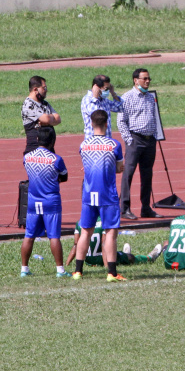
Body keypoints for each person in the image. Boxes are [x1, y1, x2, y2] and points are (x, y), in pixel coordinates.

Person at [72, 110, 126, 281]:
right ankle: (112, 272)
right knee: (110, 232)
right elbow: (118, 168)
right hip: (107, 194)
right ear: (107, 123)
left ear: (91, 123)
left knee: (85, 232)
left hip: (88, 194)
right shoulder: (114, 145)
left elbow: (87, 167)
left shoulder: (83, 145)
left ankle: (78, 271)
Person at [20, 127, 69, 278]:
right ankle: (60, 270)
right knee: (54, 236)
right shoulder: (56, 159)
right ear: (53, 140)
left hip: (33, 201)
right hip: (50, 201)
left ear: (37, 139)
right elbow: (64, 177)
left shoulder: (27, 157)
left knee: (29, 235)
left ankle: (24, 269)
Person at [117, 68, 163, 220]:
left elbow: (153, 117)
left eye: (149, 78)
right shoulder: (127, 97)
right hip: (135, 139)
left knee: (147, 174)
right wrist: (129, 140)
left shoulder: (150, 97)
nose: (148, 81)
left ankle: (145, 207)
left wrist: (155, 135)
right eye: (144, 79)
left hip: (150, 140)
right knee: (128, 174)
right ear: (135, 80)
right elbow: (121, 121)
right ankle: (125, 208)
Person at [68, 217, 161, 267]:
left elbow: (76, 244)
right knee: (131, 258)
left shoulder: (79, 222)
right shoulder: (103, 221)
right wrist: (106, 265)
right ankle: (149, 258)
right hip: (101, 258)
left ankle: (123, 254)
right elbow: (104, 243)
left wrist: (67, 263)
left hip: (88, 260)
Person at [22, 75, 61, 155]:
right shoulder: (28, 104)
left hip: (49, 151)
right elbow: (47, 118)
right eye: (44, 88)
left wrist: (48, 120)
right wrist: (49, 119)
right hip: (34, 152)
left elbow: (58, 118)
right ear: (35, 89)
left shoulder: (45, 103)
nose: (46, 90)